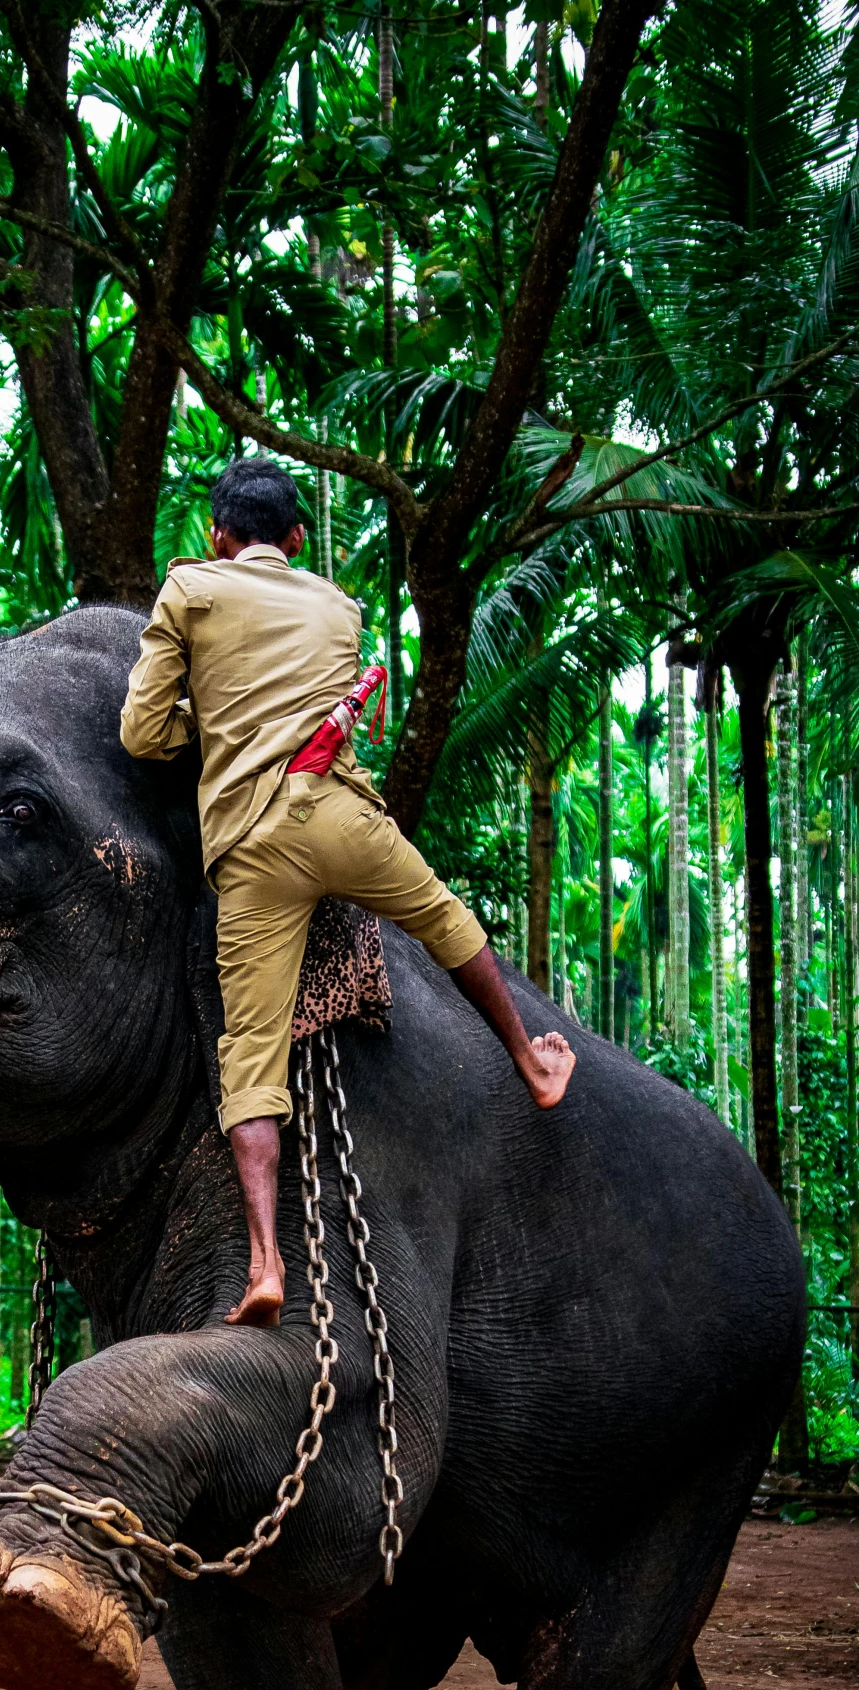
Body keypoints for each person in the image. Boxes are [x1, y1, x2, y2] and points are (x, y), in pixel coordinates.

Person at [120, 456, 575, 1328]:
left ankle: (263, 1263)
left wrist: (209, 721)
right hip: (341, 817)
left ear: (216, 535)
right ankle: (531, 1060)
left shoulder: (191, 593)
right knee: (444, 916)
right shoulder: (340, 607)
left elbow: (142, 734)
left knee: (250, 1055)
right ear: (295, 538)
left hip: (252, 846)